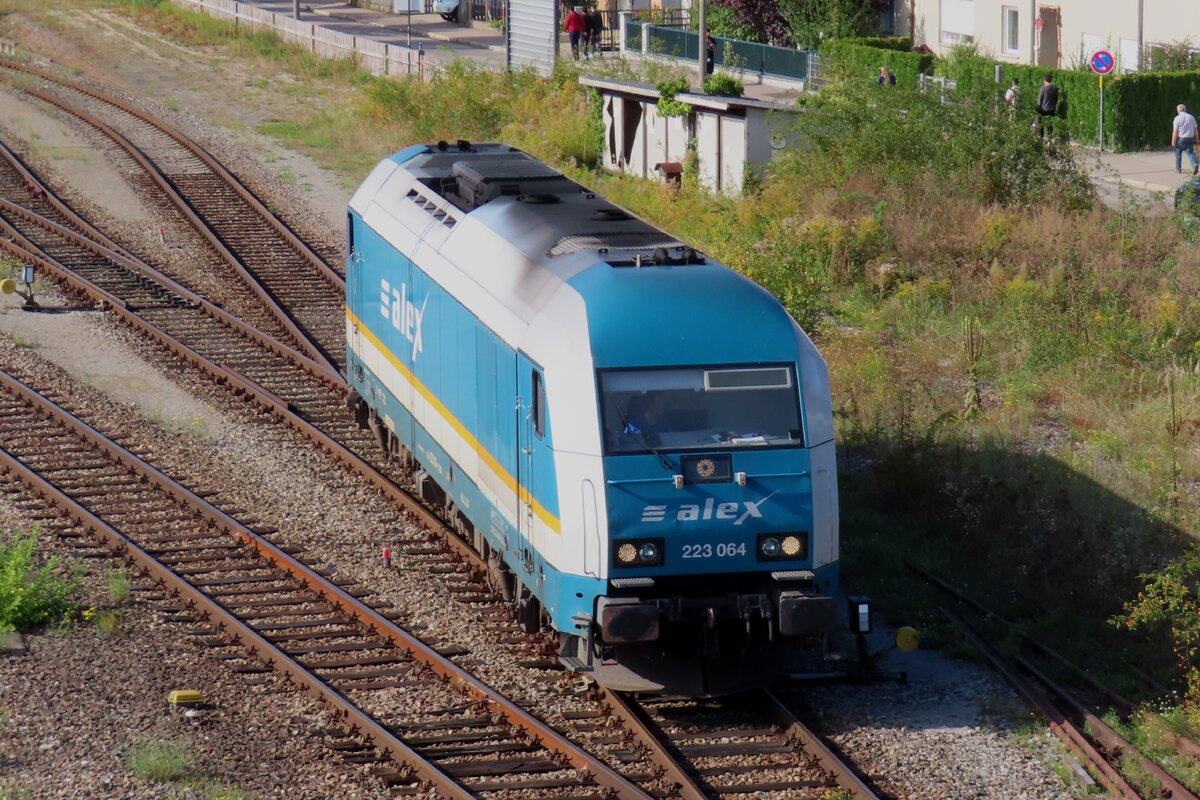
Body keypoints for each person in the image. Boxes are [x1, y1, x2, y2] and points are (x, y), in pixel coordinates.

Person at [1173, 103, 1199, 175]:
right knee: (1190, 153)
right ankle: (1194, 165)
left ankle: (1178, 169)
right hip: (1190, 138)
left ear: (1178, 110)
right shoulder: (1191, 117)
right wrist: (1197, 139)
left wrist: (1173, 141)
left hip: (1181, 138)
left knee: (1178, 152)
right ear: (1185, 109)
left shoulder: (1177, 118)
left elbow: (1175, 131)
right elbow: (1195, 129)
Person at [1035, 73, 1058, 137]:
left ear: (1044, 80)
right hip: (1052, 109)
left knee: (1041, 124)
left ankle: (1041, 137)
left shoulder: (1043, 88)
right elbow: (1056, 99)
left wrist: (1037, 109)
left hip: (1043, 109)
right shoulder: (1055, 88)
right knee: (1050, 124)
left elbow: (1040, 100)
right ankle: (1049, 138)